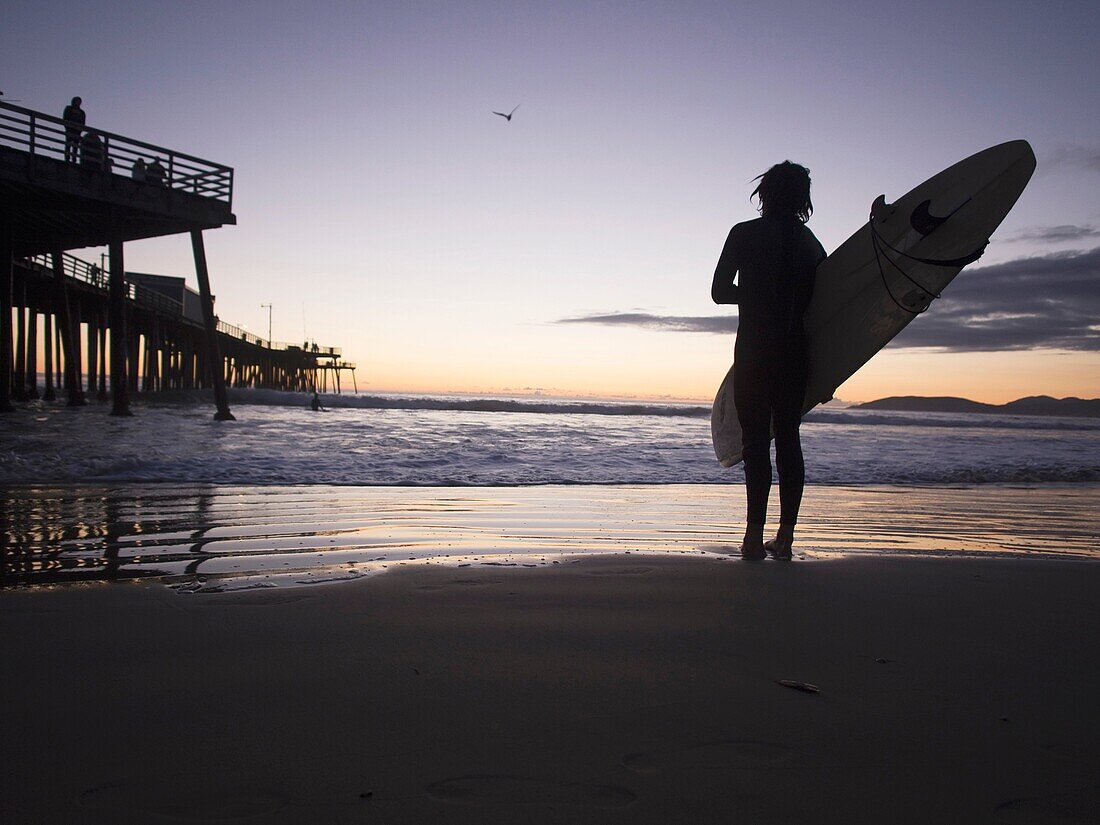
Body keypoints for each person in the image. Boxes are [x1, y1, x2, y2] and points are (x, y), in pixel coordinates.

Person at [711, 161, 826, 560]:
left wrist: (756, 294)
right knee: (790, 441)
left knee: (755, 443)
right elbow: (827, 308)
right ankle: (787, 538)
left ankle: (752, 539)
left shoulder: (744, 234)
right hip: (795, 354)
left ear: (764, 193)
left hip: (754, 353)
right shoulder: (810, 244)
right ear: (803, 199)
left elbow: (719, 291)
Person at [62, 96, 85, 162]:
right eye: (77, 101)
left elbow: (83, 122)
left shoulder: (82, 112)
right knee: (68, 145)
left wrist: (80, 130)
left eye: (79, 101)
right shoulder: (68, 108)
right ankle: (67, 158)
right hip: (69, 130)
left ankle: (74, 159)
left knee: (75, 147)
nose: (78, 103)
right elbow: (65, 118)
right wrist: (68, 127)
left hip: (77, 132)